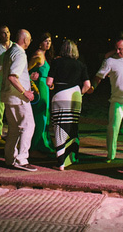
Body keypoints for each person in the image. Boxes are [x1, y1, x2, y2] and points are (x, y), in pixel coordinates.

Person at [89, 36, 123, 162]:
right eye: (116, 49)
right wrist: (93, 87)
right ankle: (110, 155)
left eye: (120, 49)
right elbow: (98, 77)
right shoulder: (110, 61)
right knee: (113, 127)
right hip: (118, 100)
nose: (117, 51)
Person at [46, 39, 91, 170]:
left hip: (61, 94)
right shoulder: (81, 65)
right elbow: (87, 85)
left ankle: (60, 162)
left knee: (60, 128)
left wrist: (53, 86)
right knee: (73, 128)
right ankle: (73, 158)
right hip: (76, 96)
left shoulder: (56, 62)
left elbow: (49, 82)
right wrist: (80, 93)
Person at [1, 29, 37, 171]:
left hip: (8, 96)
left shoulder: (9, 52)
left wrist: (28, 77)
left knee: (14, 129)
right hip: (19, 98)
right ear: (25, 40)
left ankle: (10, 158)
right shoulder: (20, 54)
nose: (30, 41)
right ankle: (22, 159)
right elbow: (12, 76)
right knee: (28, 126)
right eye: (29, 39)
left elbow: (14, 74)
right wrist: (25, 92)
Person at [28, 33, 54, 154]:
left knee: (45, 114)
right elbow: (25, 70)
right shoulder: (38, 55)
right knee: (40, 115)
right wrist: (31, 77)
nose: (48, 43)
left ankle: (43, 141)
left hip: (45, 86)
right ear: (40, 42)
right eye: (45, 41)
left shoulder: (45, 55)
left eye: (49, 41)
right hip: (39, 87)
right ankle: (37, 143)